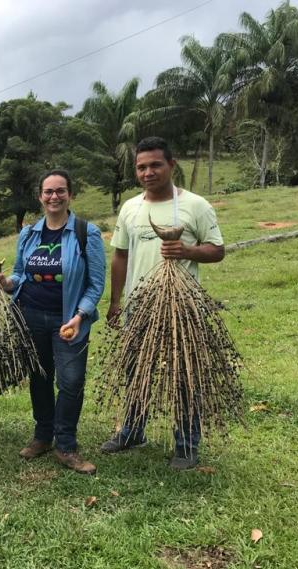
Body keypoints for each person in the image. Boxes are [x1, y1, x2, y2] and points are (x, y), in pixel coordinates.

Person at [100, 136, 225, 470]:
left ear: (172, 164)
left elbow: (217, 249)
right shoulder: (130, 208)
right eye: (141, 167)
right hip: (138, 308)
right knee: (134, 372)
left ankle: (186, 445)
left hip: (181, 308)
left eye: (155, 165)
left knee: (185, 375)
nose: (148, 172)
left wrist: (186, 251)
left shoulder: (195, 205)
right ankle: (132, 431)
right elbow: (120, 256)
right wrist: (116, 302)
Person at [0, 169, 105, 474]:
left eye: (60, 191)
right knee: (39, 378)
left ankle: (66, 444)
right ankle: (43, 435)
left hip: (69, 320)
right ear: (40, 196)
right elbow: (20, 273)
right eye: (48, 191)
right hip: (31, 317)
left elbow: (95, 284)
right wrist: (5, 283)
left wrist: (81, 316)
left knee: (71, 381)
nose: (54, 197)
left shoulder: (85, 232)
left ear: (70, 195)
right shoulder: (29, 234)